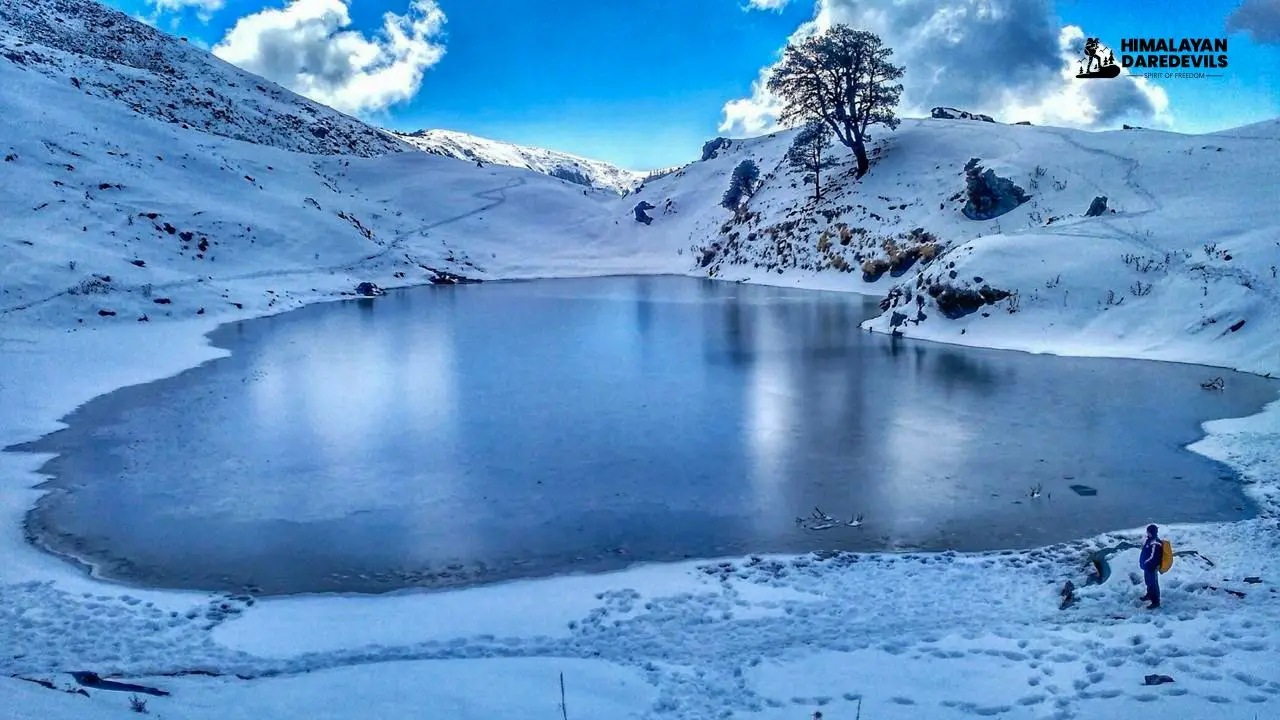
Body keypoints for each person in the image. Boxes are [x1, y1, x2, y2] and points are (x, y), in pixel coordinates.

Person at [1139, 524, 1164, 609]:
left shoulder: (1155, 543)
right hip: (1148, 567)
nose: (1147, 533)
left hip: (1151, 567)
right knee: (1148, 582)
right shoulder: (1150, 540)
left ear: (1151, 532)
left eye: (1148, 531)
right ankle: (1149, 595)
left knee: (1153, 584)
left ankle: (1156, 601)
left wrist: (1146, 563)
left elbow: (1153, 556)